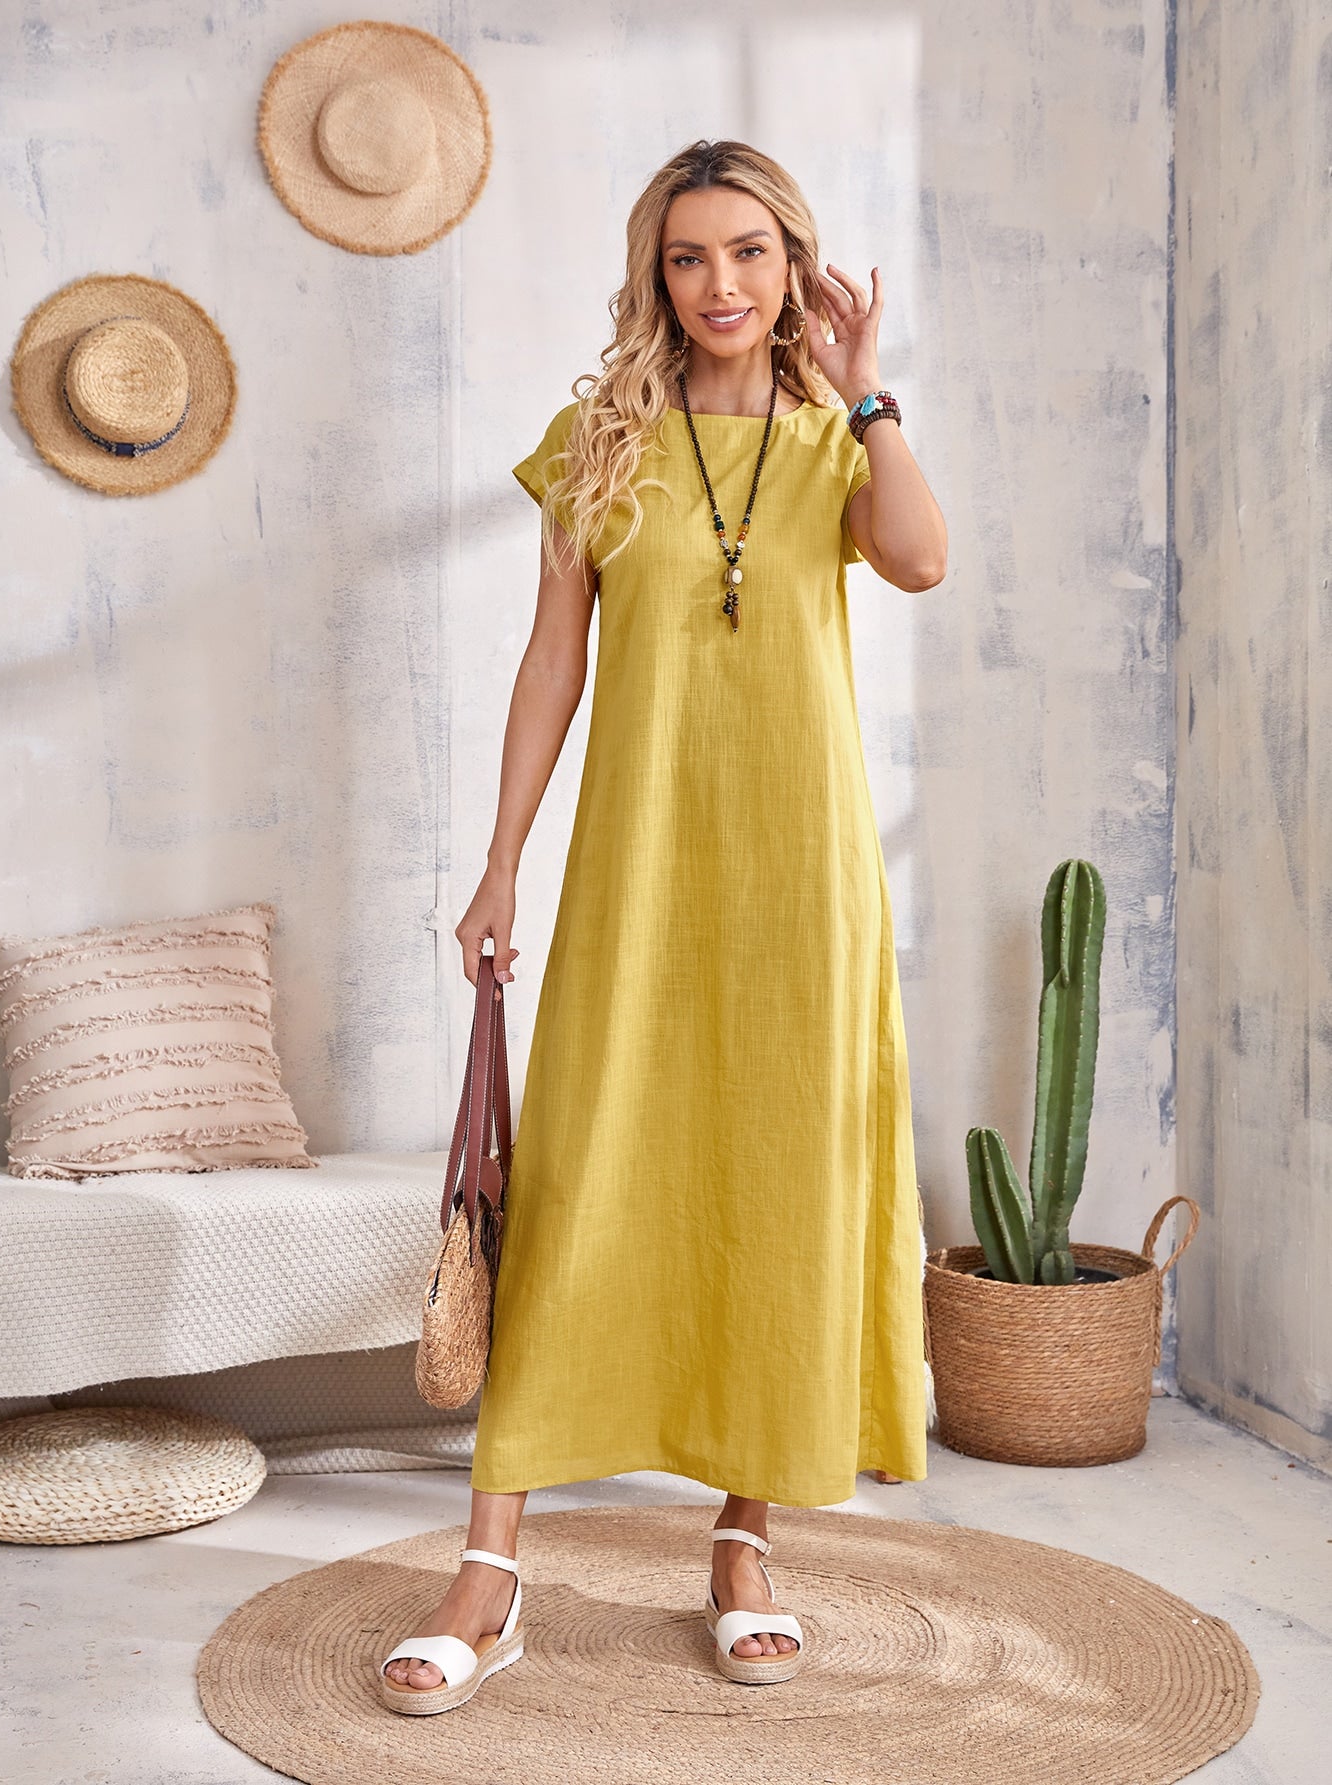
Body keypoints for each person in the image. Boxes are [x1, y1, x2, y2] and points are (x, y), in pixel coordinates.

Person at [380, 137, 947, 1714]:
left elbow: (920, 559)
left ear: (796, 266)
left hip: (804, 879)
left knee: (778, 1179)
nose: (720, 283)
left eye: (750, 251)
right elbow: (552, 661)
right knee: (580, 1180)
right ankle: (490, 1567)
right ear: (657, 274)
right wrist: (502, 861)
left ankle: (745, 1542)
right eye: (689, 256)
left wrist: (870, 390)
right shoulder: (600, 438)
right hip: (639, 864)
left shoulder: (838, 440)